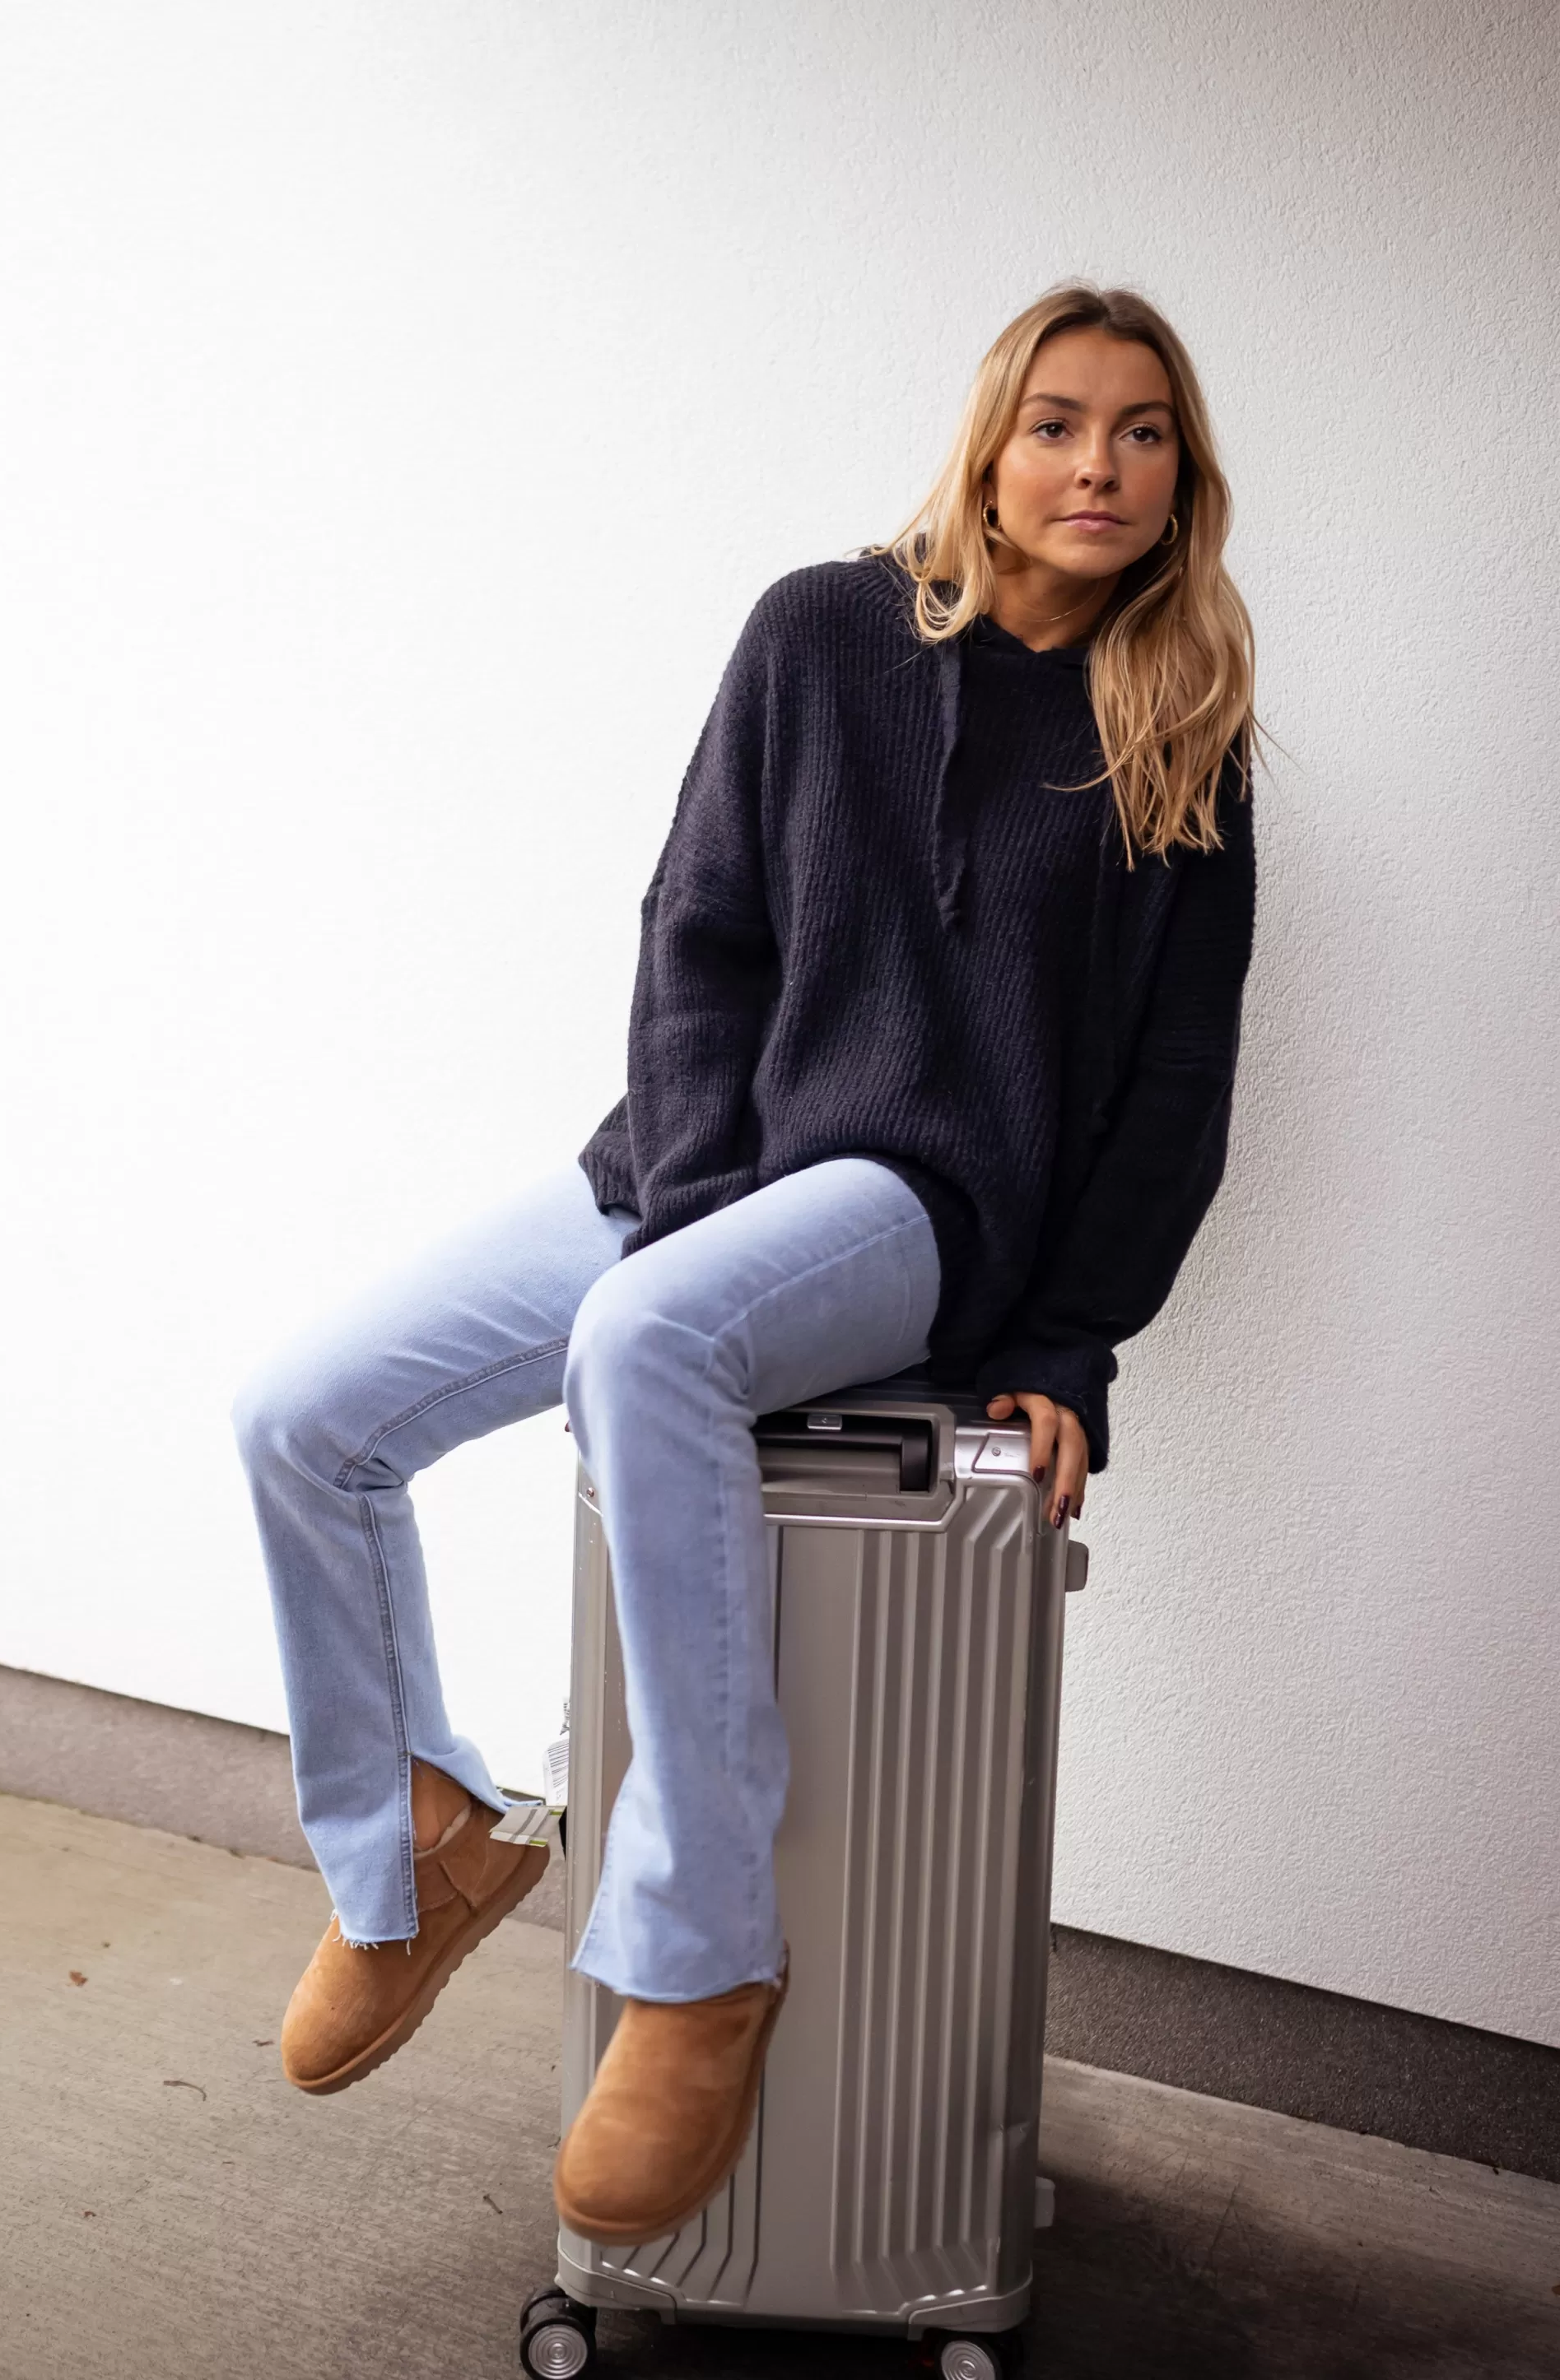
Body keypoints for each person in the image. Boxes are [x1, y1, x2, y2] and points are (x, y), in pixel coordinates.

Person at [231, 279, 1260, 2248]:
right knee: (303, 1414)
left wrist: (1071, 1340)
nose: (1098, 465)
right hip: (691, 1165)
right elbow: (696, 928)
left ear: (1182, 478)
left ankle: (701, 1953)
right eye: (1058, 423)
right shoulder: (823, 629)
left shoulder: (1179, 743)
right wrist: (695, 1200)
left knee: (646, 1339)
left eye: (1143, 433)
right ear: (990, 447)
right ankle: (411, 1848)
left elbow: (1172, 1093)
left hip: (925, 1208)